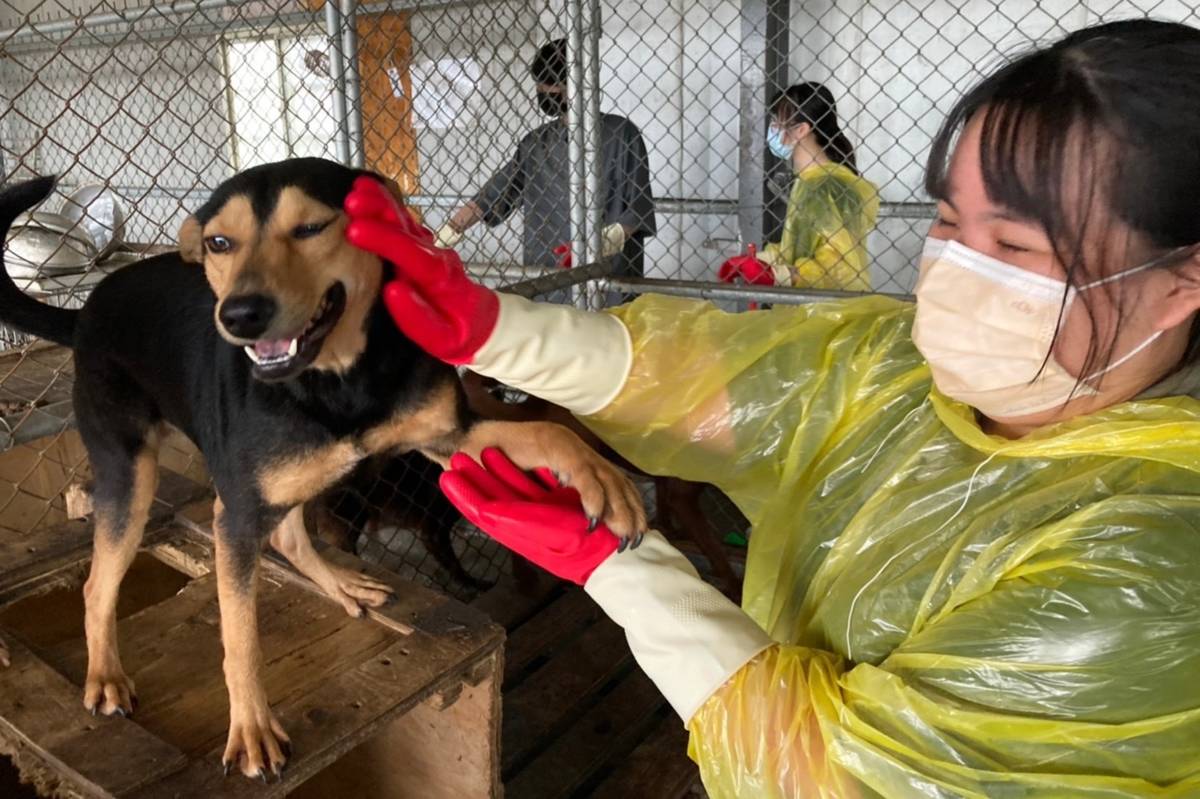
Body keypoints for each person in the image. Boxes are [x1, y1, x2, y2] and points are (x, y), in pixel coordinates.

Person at [345, 19, 1200, 796]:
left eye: (1014, 245)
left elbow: (845, 776)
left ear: (1180, 282)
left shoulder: (1158, 563)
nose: (961, 269)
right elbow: (713, 382)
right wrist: (493, 325)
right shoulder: (899, 373)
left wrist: (621, 564)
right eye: (947, 222)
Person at [437, 38, 656, 283]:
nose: (543, 91)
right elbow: (492, 195)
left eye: (552, 85)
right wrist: (444, 235)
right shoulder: (535, 144)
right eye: (541, 85)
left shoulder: (621, 134)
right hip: (548, 273)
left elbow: (638, 209)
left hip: (607, 273)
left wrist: (596, 246)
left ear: (578, 85)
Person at [720, 82, 879, 291]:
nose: (772, 129)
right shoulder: (809, 180)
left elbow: (841, 269)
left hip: (830, 315)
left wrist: (779, 275)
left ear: (802, 129)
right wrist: (759, 261)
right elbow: (798, 248)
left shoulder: (825, 186)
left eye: (777, 123)